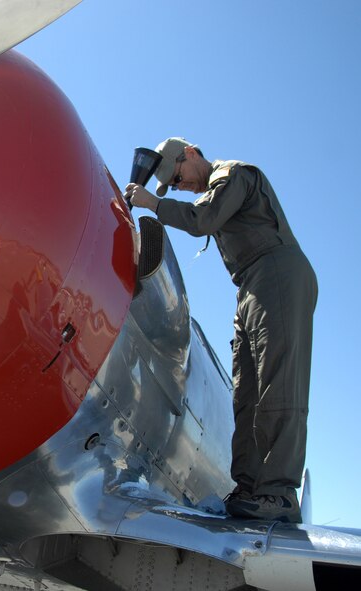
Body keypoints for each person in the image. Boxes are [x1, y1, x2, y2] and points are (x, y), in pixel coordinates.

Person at [126, 138, 317, 523]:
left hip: (277, 272)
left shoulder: (233, 174)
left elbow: (203, 220)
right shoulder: (210, 187)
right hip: (249, 285)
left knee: (277, 383)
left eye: (178, 176)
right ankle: (249, 489)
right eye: (174, 185)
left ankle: (277, 493)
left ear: (192, 154)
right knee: (245, 393)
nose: (181, 185)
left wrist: (154, 204)